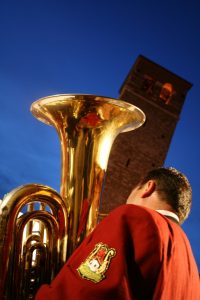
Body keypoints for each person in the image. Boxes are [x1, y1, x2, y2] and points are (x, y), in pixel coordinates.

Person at [35, 167, 200, 299]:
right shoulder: (192, 270)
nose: (127, 200)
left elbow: (82, 294)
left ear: (148, 187)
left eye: (132, 191)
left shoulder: (134, 217)